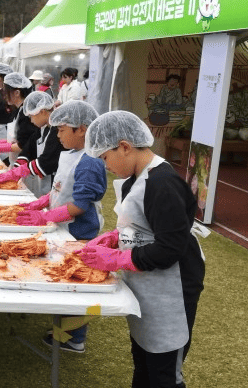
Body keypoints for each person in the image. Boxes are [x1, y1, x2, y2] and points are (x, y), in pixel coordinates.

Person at [80, 111, 205, 388]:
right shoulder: (135, 178)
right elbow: (142, 224)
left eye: (104, 157)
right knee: (143, 357)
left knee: (164, 372)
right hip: (149, 283)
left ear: (124, 146)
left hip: (173, 288)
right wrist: (115, 237)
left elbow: (170, 248)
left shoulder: (162, 183)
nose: (105, 165)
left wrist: (118, 258)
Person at [12, 101, 106, 353]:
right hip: (62, 225)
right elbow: (60, 189)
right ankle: (63, 325)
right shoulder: (70, 153)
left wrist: (46, 217)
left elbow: (80, 204)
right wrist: (40, 203)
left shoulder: (90, 161)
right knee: (61, 276)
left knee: (75, 283)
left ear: (82, 130)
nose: (57, 135)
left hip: (79, 231)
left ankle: (75, 336)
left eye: (62, 129)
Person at [0, 91, 67, 197]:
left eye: (31, 116)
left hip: (56, 182)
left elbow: (46, 162)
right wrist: (16, 168)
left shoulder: (57, 130)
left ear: (42, 112)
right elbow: (29, 148)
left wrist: (19, 172)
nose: (31, 120)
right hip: (44, 182)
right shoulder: (43, 128)